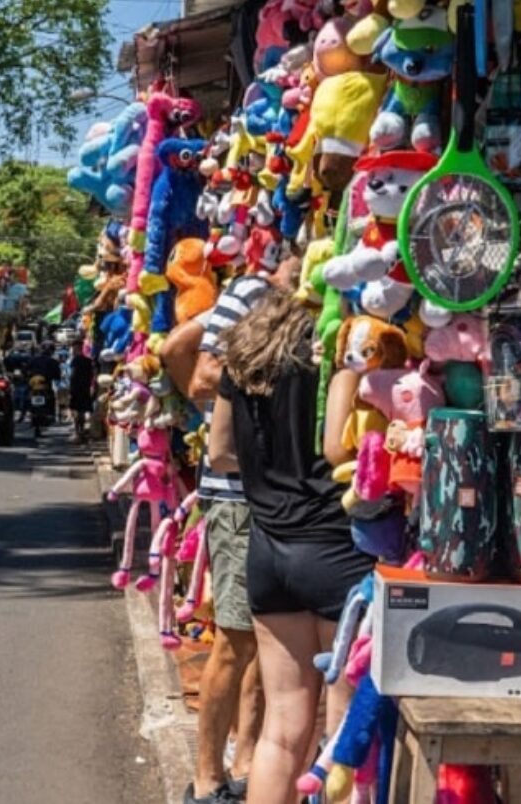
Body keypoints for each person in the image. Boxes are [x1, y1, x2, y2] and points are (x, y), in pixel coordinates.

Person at [206, 287, 375, 804]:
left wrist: (273, 476)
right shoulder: (340, 355)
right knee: (342, 736)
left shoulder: (245, 359)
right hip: (337, 551)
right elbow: (341, 449)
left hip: (268, 550)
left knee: (281, 730)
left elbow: (218, 452)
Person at [160, 255, 301, 804]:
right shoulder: (251, 293)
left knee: (270, 638)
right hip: (238, 492)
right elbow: (197, 370)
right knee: (236, 637)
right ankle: (206, 778)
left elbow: (179, 349)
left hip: (280, 494)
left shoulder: (305, 302)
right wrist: (233, 412)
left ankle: (245, 761)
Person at [68, 341, 95, 442]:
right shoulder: (88, 361)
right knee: (82, 411)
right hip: (85, 388)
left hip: (76, 389)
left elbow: (72, 375)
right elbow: (92, 374)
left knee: (76, 411)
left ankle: (77, 433)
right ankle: (81, 431)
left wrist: (70, 388)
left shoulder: (75, 360)